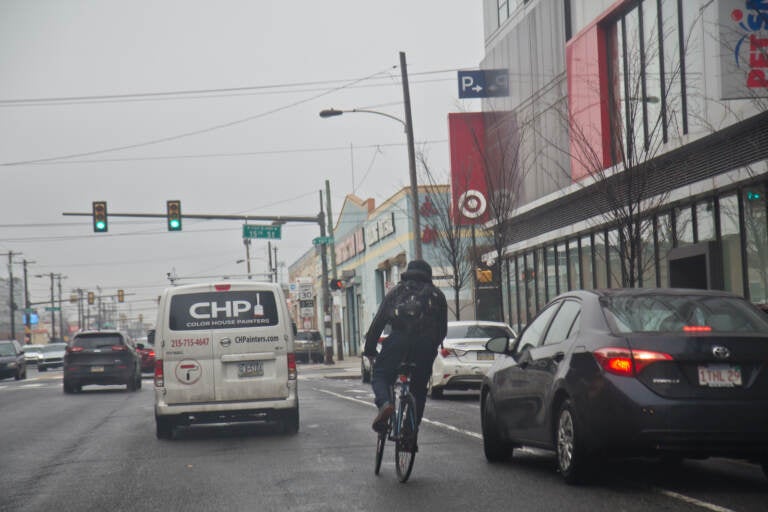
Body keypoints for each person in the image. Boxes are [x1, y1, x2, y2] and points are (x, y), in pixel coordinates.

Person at [363, 259, 448, 433]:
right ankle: (409, 432)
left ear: (408, 272)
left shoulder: (396, 292)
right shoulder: (437, 295)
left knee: (380, 375)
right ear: (428, 275)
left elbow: (378, 323)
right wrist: (432, 346)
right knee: (419, 388)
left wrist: (370, 350)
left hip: (398, 341)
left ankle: (385, 404)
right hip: (425, 345)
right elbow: (442, 329)